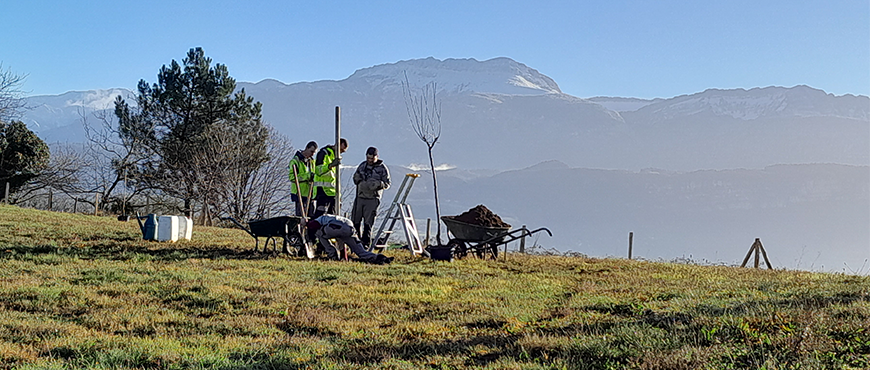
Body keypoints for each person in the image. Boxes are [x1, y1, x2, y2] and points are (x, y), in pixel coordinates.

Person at [306, 214, 393, 264]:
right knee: (361, 251)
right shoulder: (333, 217)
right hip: (350, 229)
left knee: (320, 234)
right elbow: (340, 239)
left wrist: (305, 223)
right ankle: (379, 258)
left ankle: (333, 255)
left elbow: (314, 225)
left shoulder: (321, 218)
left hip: (335, 227)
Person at [352, 146, 391, 247]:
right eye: (368, 158)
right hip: (360, 197)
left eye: (372, 158)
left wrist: (377, 184)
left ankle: (365, 244)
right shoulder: (362, 166)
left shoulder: (382, 168)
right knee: (355, 221)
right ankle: (356, 243)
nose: (369, 160)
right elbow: (355, 178)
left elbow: (387, 184)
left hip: (372, 199)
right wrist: (359, 180)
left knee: (368, 223)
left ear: (377, 157)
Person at [312, 138, 348, 218]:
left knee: (332, 217)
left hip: (332, 192)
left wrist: (339, 195)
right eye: (341, 150)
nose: (341, 152)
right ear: (336, 145)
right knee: (320, 215)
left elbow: (334, 178)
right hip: (323, 191)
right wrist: (330, 166)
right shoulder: (324, 153)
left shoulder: (334, 157)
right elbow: (318, 170)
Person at [288, 141, 317, 217]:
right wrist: (307, 176)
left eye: (314, 152)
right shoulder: (295, 161)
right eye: (311, 151)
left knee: (311, 217)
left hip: (310, 194)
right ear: (306, 148)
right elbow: (292, 177)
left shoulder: (312, 162)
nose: (312, 154)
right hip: (299, 193)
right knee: (301, 218)